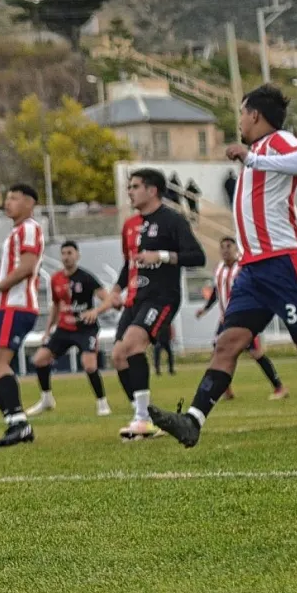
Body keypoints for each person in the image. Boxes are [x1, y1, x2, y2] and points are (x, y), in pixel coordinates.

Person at [150, 85, 297, 447]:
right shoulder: (258, 153)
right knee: (227, 343)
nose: (239, 121)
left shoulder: (277, 143)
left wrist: (254, 159)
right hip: (253, 269)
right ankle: (192, 420)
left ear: (255, 115)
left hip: (285, 260)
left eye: (241, 114)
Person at [111, 168, 204, 441]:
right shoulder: (131, 225)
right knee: (118, 355)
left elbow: (196, 256)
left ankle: (143, 419)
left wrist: (162, 256)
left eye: (135, 186)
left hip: (162, 296)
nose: (130, 191)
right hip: (136, 298)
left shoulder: (172, 220)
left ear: (152, 190)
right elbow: (130, 263)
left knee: (133, 345)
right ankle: (142, 414)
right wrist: (116, 291)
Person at [0, 183, 44, 448]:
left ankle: (19, 423)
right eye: (6, 197)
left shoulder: (29, 228)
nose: (7, 202)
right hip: (7, 306)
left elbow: (27, 267)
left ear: (29, 203)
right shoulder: (16, 231)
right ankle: (15, 421)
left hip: (18, 305)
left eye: (13, 198)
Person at [194, 236, 288, 400]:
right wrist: (205, 309)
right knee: (219, 353)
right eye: (222, 247)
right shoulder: (219, 269)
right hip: (225, 319)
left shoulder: (243, 268)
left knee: (255, 353)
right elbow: (216, 292)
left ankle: (279, 387)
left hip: (241, 319)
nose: (225, 250)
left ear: (236, 249)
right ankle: (226, 390)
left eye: (228, 246)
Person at [26, 240, 113, 417]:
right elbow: (56, 307)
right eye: (63, 253)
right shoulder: (56, 279)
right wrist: (48, 330)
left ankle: (102, 403)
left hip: (85, 329)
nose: (66, 257)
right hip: (64, 329)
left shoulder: (86, 278)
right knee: (40, 360)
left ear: (77, 255)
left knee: (89, 365)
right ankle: (46, 399)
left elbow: (108, 299)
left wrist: (95, 311)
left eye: (70, 253)